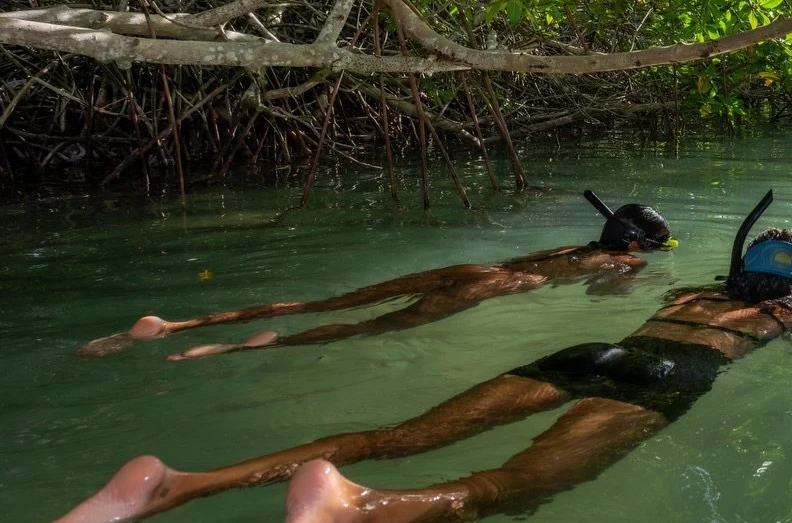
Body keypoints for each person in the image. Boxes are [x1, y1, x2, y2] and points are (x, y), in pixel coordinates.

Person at [2, 192, 792, 523]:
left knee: (390, 434)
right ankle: (355, 510)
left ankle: (176, 483)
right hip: (662, 378)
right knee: (503, 488)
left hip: (587, 354)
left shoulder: (690, 288)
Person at [77, 191, 675, 360]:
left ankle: (179, 323)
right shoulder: (621, 258)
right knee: (374, 328)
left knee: (330, 301)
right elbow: (604, 293)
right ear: (631, 242)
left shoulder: (572, 243)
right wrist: (639, 279)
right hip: (506, 285)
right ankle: (233, 347)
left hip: (479, 269)